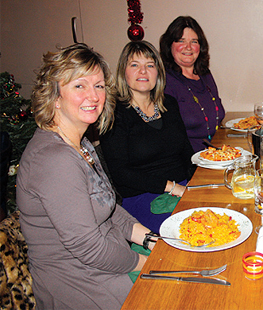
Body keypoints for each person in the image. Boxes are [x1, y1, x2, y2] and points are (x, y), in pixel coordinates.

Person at [16, 44, 156, 309]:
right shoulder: (54, 160)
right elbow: (89, 248)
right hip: (79, 282)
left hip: (106, 261)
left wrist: (151, 240)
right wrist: (143, 262)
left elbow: (109, 208)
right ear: (55, 96)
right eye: (79, 86)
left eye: (99, 86)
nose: (93, 96)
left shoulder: (81, 144)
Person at [99, 40, 194, 233]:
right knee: (191, 230)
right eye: (135, 65)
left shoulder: (170, 104)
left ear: (158, 72)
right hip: (141, 197)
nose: (143, 71)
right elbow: (121, 173)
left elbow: (186, 152)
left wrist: (196, 184)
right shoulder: (114, 113)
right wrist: (172, 187)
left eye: (150, 65)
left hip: (182, 188)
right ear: (123, 72)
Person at [159, 16, 225, 152]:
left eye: (194, 41)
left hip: (217, 152)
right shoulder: (165, 81)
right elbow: (169, 136)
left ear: (200, 47)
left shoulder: (205, 75)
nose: (188, 47)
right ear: (169, 45)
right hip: (189, 161)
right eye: (181, 41)